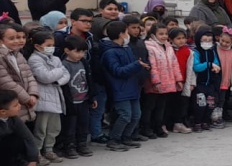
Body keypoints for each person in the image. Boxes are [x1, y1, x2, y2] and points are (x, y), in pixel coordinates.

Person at [100, 21, 146, 151]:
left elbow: (132, 65)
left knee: (136, 114)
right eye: (126, 32)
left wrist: (140, 65)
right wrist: (137, 65)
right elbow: (118, 71)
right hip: (119, 89)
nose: (128, 35)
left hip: (132, 87)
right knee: (125, 115)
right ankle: (114, 139)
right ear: (121, 34)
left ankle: (126, 136)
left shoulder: (126, 48)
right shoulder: (110, 52)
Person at [26, 30, 69, 164]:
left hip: (55, 96)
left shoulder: (55, 58)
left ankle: (49, 149)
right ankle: (37, 152)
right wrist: (59, 71)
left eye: (53, 44)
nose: (51, 47)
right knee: (41, 129)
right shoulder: (34, 59)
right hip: (43, 98)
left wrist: (57, 79)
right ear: (38, 46)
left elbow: (66, 74)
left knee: (54, 127)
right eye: (48, 44)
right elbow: (45, 77)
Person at [141, 23, 180, 138]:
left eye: (165, 34)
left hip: (167, 82)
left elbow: (174, 64)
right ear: (153, 35)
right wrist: (156, 81)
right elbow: (152, 66)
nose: (164, 36)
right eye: (160, 34)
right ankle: (146, 127)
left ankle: (158, 126)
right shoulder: (149, 47)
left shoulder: (168, 46)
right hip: (155, 83)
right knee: (150, 106)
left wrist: (178, 79)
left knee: (161, 106)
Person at [58, 36, 93, 158]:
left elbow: (88, 80)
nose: (80, 55)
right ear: (67, 50)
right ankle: (69, 146)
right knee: (70, 126)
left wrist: (92, 97)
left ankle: (82, 144)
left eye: (83, 52)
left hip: (84, 99)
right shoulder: (64, 65)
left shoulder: (83, 62)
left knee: (83, 123)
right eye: (77, 51)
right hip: (71, 101)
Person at [0, 23, 38, 127]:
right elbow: (6, 82)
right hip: (11, 104)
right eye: (12, 39)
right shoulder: (2, 57)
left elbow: (29, 75)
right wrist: (27, 98)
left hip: (26, 103)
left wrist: (33, 94)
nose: (17, 41)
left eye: (17, 37)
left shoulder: (18, 54)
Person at [0, 89, 39, 166]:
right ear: (3, 112)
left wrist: (33, 160)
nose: (20, 106)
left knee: (18, 139)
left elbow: (28, 138)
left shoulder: (14, 119)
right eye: (15, 105)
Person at [189, 29, 222, 132]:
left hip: (211, 83)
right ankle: (197, 122)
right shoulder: (196, 52)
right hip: (200, 84)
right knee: (200, 104)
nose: (207, 43)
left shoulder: (212, 51)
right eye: (204, 40)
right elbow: (196, 66)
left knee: (210, 103)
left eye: (209, 41)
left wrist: (216, 67)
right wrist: (208, 64)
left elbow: (216, 62)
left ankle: (205, 121)